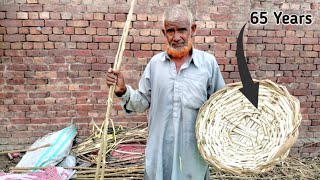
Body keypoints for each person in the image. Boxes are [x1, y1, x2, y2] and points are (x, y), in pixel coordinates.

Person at [107, 4, 225, 180]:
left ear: (193, 30)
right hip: (159, 155)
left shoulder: (208, 65)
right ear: (164, 33)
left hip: (192, 156)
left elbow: (220, 106)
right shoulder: (155, 65)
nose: (176, 37)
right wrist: (123, 91)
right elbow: (142, 102)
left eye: (182, 30)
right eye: (171, 31)